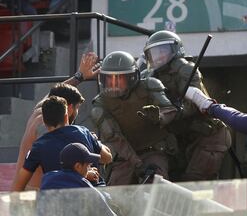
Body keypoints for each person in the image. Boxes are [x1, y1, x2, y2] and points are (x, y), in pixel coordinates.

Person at [143, 30, 231, 181]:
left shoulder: (186, 69)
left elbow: (192, 105)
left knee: (194, 184)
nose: (158, 57)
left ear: (175, 50)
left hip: (207, 136)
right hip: (183, 139)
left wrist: (169, 113)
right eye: (154, 53)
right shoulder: (151, 76)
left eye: (162, 51)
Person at [11, 52, 100, 191]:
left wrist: (79, 76)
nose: (77, 113)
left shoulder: (41, 112)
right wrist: (85, 173)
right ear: (69, 109)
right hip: (38, 196)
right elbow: (57, 162)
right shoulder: (47, 130)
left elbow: (51, 95)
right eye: (77, 108)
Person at [91, 51, 178, 185]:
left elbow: (171, 110)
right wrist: (138, 165)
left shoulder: (150, 86)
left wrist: (159, 117)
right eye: (110, 79)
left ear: (131, 77)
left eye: (118, 79)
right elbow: (115, 138)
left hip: (154, 149)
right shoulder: (100, 104)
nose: (114, 84)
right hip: (124, 156)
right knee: (115, 194)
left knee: (157, 184)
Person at [11, 96, 112, 191]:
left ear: (44, 121)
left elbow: (19, 185)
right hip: (96, 197)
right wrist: (95, 140)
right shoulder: (84, 132)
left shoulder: (38, 147)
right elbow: (108, 157)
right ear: (66, 116)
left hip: (61, 201)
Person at [38, 143, 117, 216]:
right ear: (78, 166)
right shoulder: (84, 186)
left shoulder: (48, 178)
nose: (90, 168)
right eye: (88, 165)